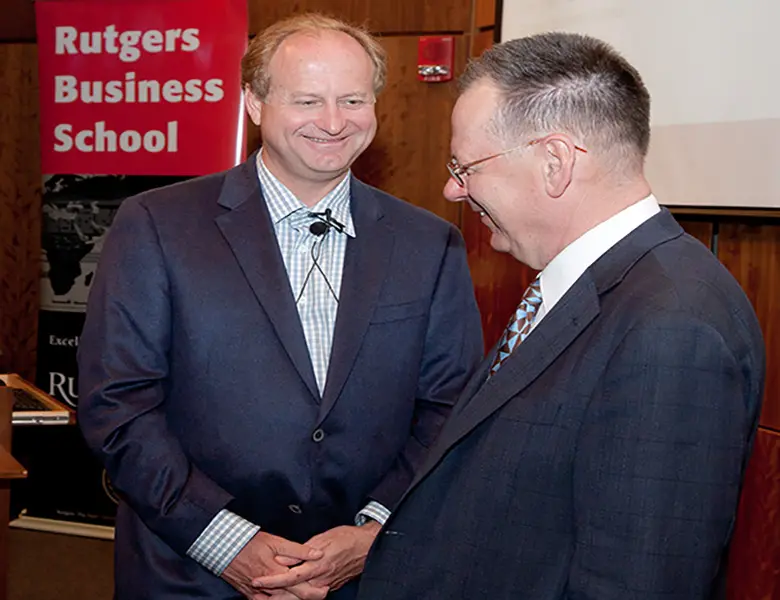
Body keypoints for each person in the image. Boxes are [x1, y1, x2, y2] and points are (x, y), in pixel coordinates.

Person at [339, 32, 760, 599]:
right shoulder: (593, 286)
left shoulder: (671, 328)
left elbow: (636, 582)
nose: (451, 189)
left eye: (465, 167)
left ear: (555, 162)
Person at [77, 13, 482, 600]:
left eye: (352, 99)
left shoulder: (429, 242)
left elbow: (449, 406)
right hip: (191, 572)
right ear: (254, 103)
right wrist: (225, 540)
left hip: (364, 574)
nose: (334, 122)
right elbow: (118, 406)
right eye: (307, 100)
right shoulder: (156, 225)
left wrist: (373, 530)